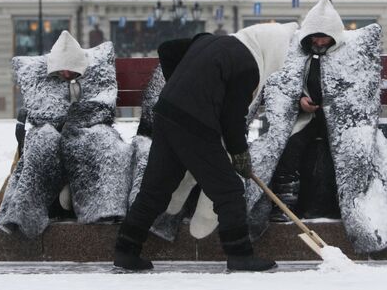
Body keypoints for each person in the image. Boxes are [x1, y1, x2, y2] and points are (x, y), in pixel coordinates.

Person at [114, 22, 298, 272]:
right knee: (229, 190)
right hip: (194, 125)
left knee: (154, 190)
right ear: (273, 49)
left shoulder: (209, 41)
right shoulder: (247, 66)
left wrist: (180, 88)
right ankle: (240, 255)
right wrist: (240, 155)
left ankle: (126, 250)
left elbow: (167, 48)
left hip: (166, 114)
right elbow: (233, 119)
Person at [245, 0, 387, 254]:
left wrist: (337, 105)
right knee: (290, 144)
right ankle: (286, 197)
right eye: (315, 39)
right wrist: (300, 100)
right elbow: (280, 84)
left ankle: (351, 206)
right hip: (307, 117)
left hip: (344, 121)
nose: (319, 43)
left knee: (351, 153)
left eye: (324, 39)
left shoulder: (351, 55)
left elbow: (362, 91)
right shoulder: (298, 55)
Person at [0, 31, 132, 237]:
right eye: (61, 71)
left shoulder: (94, 79)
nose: (66, 75)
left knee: (103, 142)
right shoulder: (47, 82)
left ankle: (102, 206)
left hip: (87, 129)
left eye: (71, 70)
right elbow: (43, 113)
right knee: (42, 141)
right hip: (56, 130)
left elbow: (101, 107)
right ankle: (27, 211)